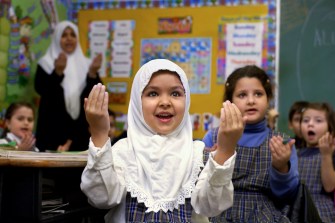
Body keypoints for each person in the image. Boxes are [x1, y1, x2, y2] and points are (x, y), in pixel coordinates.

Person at [80, 59, 246, 222]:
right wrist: (99, 133)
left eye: (175, 93)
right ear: (138, 102)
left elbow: (212, 207)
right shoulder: (123, 151)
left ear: (186, 100)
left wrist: (225, 150)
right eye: (153, 93)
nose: (165, 102)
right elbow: (101, 198)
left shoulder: (197, 155)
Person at [202, 65, 299, 222]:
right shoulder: (214, 136)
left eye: (258, 94)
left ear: (268, 99)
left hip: (266, 216)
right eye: (242, 95)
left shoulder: (281, 142)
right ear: (229, 101)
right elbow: (201, 189)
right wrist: (214, 159)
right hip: (219, 214)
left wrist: (281, 168)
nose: (251, 101)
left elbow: (287, 196)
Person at [34, 20, 102, 152]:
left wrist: (93, 73)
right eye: (64, 35)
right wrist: (57, 72)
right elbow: (42, 90)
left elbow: (96, 94)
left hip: (80, 130)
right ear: (57, 38)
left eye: (73, 35)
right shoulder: (46, 63)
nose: (69, 38)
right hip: (53, 129)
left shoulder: (87, 64)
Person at [297, 102, 335, 222]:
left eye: (318, 121)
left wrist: (326, 155)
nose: (310, 124)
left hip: (321, 211)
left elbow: (329, 187)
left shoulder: (331, 153)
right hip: (297, 209)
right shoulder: (295, 153)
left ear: (330, 127)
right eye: (306, 120)